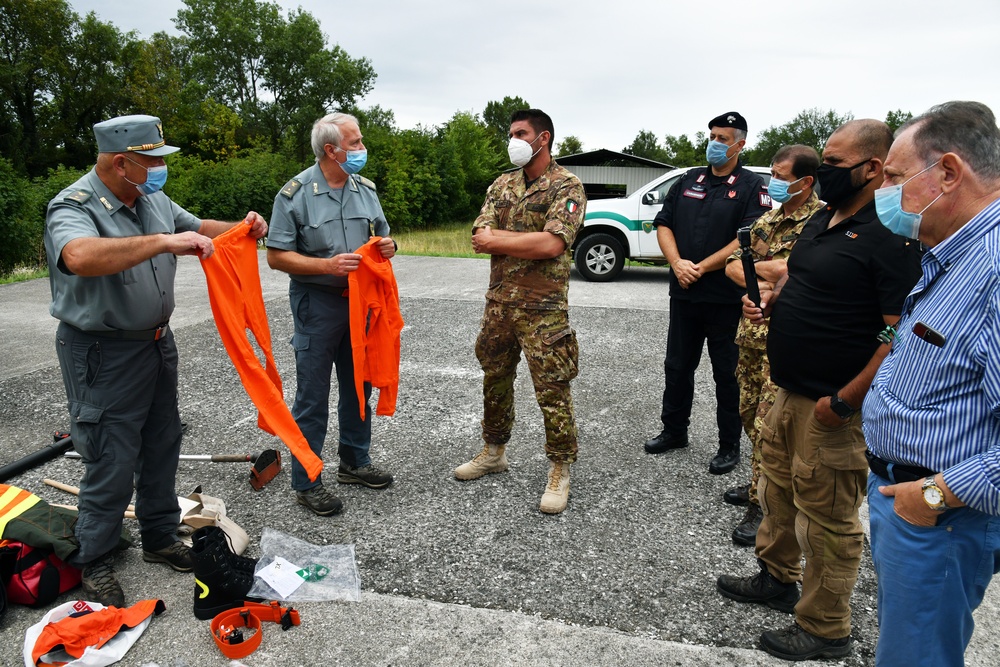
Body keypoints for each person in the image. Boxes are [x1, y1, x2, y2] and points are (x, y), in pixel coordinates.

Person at [715, 119, 922, 661]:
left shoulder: (892, 235)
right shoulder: (823, 219)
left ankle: (826, 627)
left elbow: (896, 329)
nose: (823, 171)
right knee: (777, 494)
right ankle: (776, 578)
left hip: (833, 407)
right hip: (787, 389)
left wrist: (847, 399)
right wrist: (774, 297)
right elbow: (799, 279)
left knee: (828, 518)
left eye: (833, 163)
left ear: (872, 169)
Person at [44, 114, 268, 607]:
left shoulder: (153, 199)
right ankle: (94, 558)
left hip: (155, 343)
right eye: (151, 161)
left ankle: (160, 537)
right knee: (110, 453)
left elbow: (197, 228)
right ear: (121, 163)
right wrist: (165, 242)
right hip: (101, 351)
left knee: (162, 440)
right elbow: (79, 256)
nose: (159, 169)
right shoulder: (74, 204)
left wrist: (244, 227)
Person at [862, 101, 1000, 666]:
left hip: (941, 514)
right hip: (910, 502)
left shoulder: (992, 268)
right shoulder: (953, 255)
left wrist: (933, 497)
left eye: (894, 177)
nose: (884, 191)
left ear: (947, 173)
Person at [454, 109, 586, 515]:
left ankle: (560, 468)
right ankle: (494, 451)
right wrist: (516, 239)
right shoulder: (502, 184)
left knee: (551, 388)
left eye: (520, 133)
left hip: (543, 308)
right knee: (494, 380)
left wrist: (502, 239)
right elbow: (480, 237)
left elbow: (551, 245)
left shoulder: (567, 186)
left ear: (543, 137)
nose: (512, 139)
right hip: (499, 304)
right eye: (510, 133)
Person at [266, 112, 396, 517]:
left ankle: (354, 463)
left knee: (360, 387)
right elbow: (275, 256)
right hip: (317, 304)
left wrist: (389, 246)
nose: (361, 149)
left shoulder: (365, 189)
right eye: (354, 143)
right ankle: (307, 482)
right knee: (312, 395)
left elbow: (381, 235)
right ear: (330, 150)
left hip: (361, 303)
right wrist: (325, 266)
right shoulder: (295, 194)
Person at [644, 111, 771, 474]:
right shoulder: (688, 179)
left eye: (723, 138)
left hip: (724, 297)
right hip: (684, 292)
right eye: (712, 135)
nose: (714, 143)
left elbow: (744, 238)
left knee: (727, 374)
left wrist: (701, 266)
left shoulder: (751, 187)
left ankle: (729, 446)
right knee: (677, 366)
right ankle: (674, 431)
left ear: (740, 144)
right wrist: (678, 263)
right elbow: (664, 224)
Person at [723, 145, 823, 547]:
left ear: (806, 181)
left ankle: (763, 505)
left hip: (785, 340)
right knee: (749, 414)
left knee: (770, 427)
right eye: (773, 175)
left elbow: (797, 269)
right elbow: (732, 264)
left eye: (782, 176)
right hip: (751, 336)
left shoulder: (820, 222)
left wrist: (760, 270)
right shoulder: (767, 219)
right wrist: (768, 276)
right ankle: (756, 485)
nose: (773, 183)